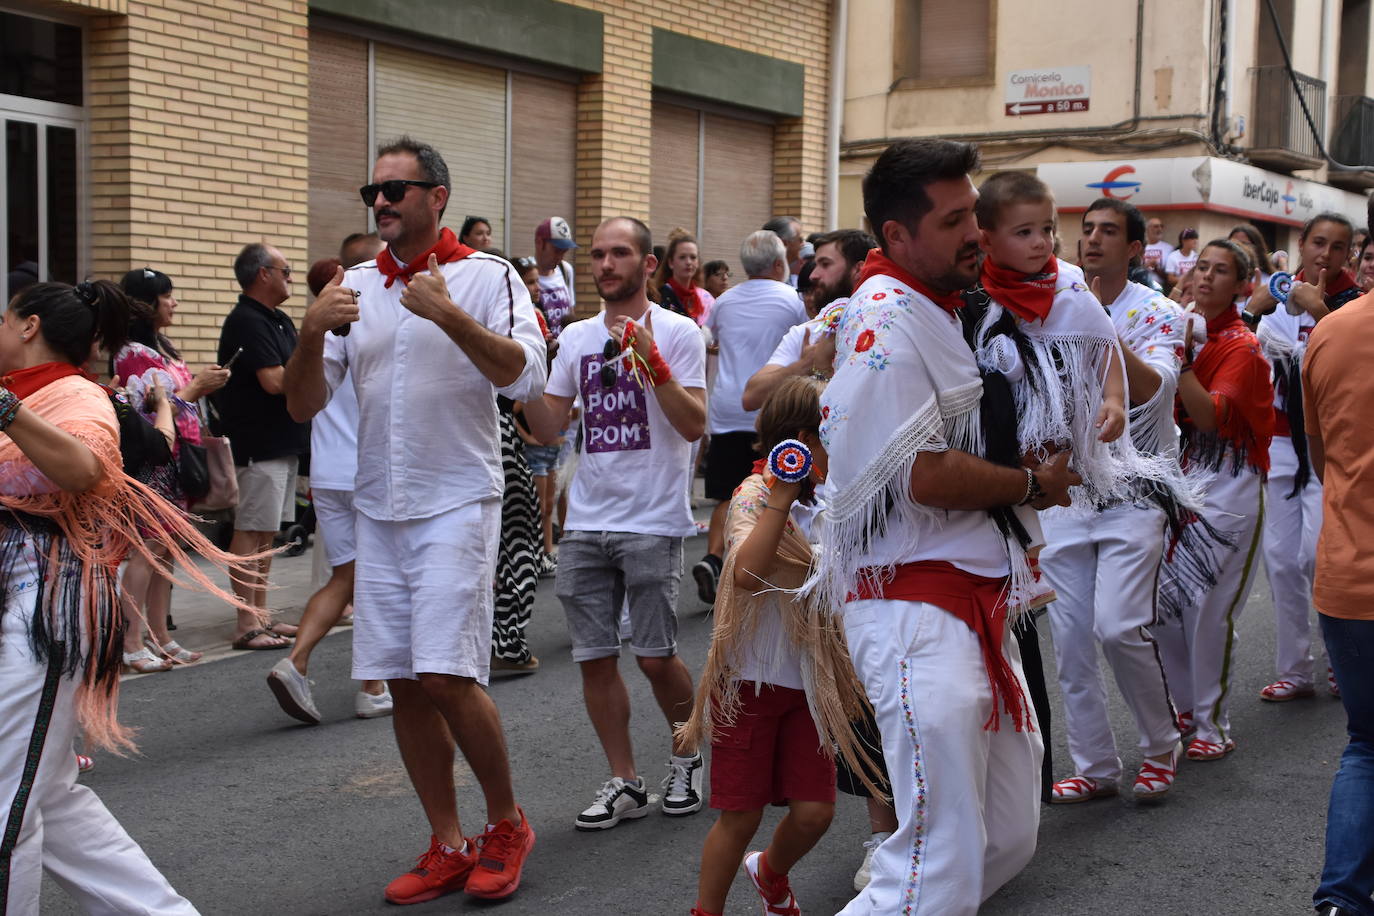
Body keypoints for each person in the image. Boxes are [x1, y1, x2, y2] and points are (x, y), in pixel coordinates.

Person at [806, 138, 1077, 915]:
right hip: (913, 613)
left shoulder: (944, 307)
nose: (978, 235)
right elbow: (918, 472)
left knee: (1005, 838)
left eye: (976, 215)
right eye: (956, 219)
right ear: (897, 236)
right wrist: (1034, 483)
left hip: (973, 605)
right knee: (937, 857)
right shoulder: (885, 315)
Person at [285, 135, 544, 904]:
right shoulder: (354, 287)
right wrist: (307, 331)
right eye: (375, 192)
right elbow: (303, 403)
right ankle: (447, 841)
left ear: (437, 195)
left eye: (398, 189)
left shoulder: (488, 275)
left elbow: (525, 379)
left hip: (459, 498)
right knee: (401, 680)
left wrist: (448, 317)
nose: (384, 202)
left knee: (445, 672)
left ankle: (507, 824)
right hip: (379, 506)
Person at [0, 279, 266, 914]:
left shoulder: (75, 397)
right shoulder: (33, 393)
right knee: (50, 798)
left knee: (7, 804)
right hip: (25, 604)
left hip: (43, 611)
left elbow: (89, 468)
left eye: (4, 318)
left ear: (30, 326)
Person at [521, 216, 709, 832]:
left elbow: (693, 424)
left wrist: (653, 363)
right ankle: (625, 779)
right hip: (586, 522)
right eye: (598, 254)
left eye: (620, 253)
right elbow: (547, 426)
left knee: (656, 657)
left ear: (648, 264)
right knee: (595, 657)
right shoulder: (575, 338)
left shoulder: (679, 332)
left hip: (652, 519)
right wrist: (514, 369)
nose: (605, 264)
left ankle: (687, 757)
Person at [681, 378, 869, 916]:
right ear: (805, 439)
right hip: (750, 680)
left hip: (809, 683)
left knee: (815, 813)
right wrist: (781, 500)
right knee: (740, 817)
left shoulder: (836, 496)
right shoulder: (755, 494)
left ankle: (770, 872)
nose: (840, 445)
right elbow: (743, 574)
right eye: (831, 434)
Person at [1035, 197, 1190, 802]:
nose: (1093, 240)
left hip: (1136, 485)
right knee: (1071, 638)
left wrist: (1101, 327)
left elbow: (1154, 392)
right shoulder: (1050, 306)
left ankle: (1160, 744)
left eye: (1108, 232)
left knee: (1120, 626)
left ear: (1134, 249)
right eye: (1086, 231)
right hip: (1070, 490)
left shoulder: (1160, 311)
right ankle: (1096, 765)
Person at [1156, 240, 1274, 761]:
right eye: (1201, 266)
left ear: (1242, 286)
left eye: (1220, 270)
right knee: (1160, 603)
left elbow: (1206, 416)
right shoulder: (1180, 325)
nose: (1204, 277)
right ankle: (1185, 707)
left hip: (1231, 486)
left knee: (1208, 609)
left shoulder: (1242, 347)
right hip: (1184, 480)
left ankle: (1211, 723)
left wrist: (1175, 355)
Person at [266, 254, 393, 724]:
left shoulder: (314, 341)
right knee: (371, 580)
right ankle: (373, 687)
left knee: (344, 577)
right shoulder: (367, 338)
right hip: (365, 472)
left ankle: (295, 661)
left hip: (327, 474)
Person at [1241, 213, 1360, 704]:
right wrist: (1253, 308)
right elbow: (1234, 353)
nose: (1325, 255)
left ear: (1349, 255)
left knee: (1318, 556)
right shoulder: (1277, 293)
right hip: (1282, 441)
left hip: (1331, 445)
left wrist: (1325, 310)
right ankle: (1294, 668)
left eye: (1337, 247)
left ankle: (1342, 662)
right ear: (1302, 244)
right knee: (1281, 560)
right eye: (1317, 243)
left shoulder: (1353, 303)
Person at [1302, 197, 1374, 914]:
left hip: (1351, 576)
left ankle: (1340, 901)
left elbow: (1323, 456)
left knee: (1367, 747)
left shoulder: (1330, 331)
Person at [114, 267, 230, 671]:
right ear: (148, 305)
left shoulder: (160, 347)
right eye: (167, 296)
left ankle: (160, 635)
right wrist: (195, 389)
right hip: (154, 463)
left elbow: (171, 401)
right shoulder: (131, 354)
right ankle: (131, 641)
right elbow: (143, 415)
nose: (174, 302)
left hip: (178, 458)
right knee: (145, 551)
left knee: (165, 551)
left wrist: (197, 389)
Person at [692, 231, 806, 605]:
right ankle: (766, 561)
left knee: (727, 492)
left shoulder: (724, 302)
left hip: (728, 407)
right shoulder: (792, 300)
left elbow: (708, 338)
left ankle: (714, 558)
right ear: (778, 264)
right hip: (774, 409)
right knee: (774, 487)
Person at [214, 242, 310, 650]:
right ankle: (244, 622)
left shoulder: (279, 320)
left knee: (268, 533)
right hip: (258, 443)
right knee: (250, 530)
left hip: (283, 440)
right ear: (262, 274)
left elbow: (296, 370)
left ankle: (262, 614)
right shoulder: (246, 321)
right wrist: (304, 372)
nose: (290, 278)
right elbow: (274, 381)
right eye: (285, 270)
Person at [741, 228, 875, 411]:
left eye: (825, 264)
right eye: (816, 264)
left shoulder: (883, 325)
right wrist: (805, 364)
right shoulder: (806, 333)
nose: (813, 275)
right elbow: (751, 397)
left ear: (858, 269)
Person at [651, 231, 715, 325]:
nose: (688, 262)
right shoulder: (658, 296)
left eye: (693, 257)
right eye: (682, 257)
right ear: (671, 263)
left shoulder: (706, 298)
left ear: (698, 263)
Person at [535, 216, 577, 337]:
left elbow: (570, 310)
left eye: (564, 252)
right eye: (557, 250)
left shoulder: (565, 270)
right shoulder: (526, 275)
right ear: (539, 243)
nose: (560, 257)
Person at [763, 216, 805, 287]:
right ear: (783, 243)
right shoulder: (769, 280)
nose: (803, 244)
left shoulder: (793, 275)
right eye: (800, 239)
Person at [1142, 216, 1175, 287]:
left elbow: (1169, 276)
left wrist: (1156, 268)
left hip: (1160, 288)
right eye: (1156, 226)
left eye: (1161, 226)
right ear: (1147, 229)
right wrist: (1146, 266)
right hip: (1141, 286)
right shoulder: (1140, 247)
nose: (1159, 229)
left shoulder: (1169, 248)